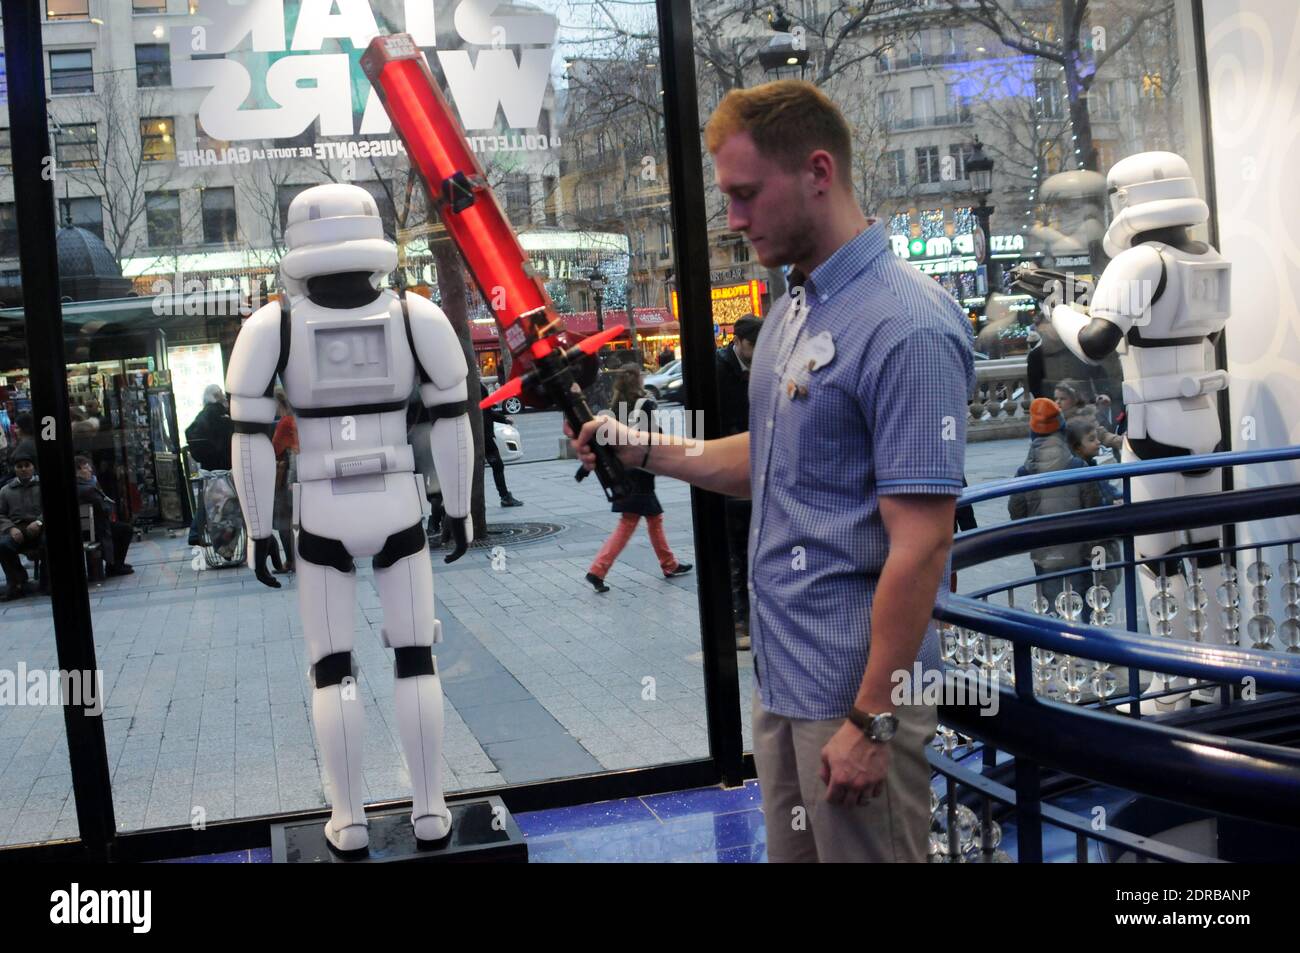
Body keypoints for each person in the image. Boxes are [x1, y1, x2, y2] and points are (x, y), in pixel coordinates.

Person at [570, 80, 972, 863]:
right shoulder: (793, 309)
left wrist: (872, 719)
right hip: (787, 683)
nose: (734, 218)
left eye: (747, 194)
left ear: (818, 172)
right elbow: (771, 459)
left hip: (857, 701)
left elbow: (922, 544)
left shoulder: (908, 325)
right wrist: (638, 443)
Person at [585, 366, 692, 593]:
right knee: (632, 522)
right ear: (639, 381)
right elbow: (654, 435)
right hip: (640, 471)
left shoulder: (615, 408)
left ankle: (668, 563)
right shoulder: (644, 405)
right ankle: (597, 570)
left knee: (651, 519)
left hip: (623, 470)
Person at [1008, 398, 1101, 613]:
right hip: (1077, 550)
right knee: (1085, 606)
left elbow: (1016, 513)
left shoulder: (1024, 473)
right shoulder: (1078, 466)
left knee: (1051, 609)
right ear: (1061, 428)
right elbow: (1093, 507)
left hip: (1044, 552)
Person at [716, 314, 762, 649]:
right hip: (727, 465)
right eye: (753, 345)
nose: (758, 350)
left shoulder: (763, 364)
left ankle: (753, 619)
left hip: (757, 466)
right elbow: (702, 417)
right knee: (735, 551)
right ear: (739, 341)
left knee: (754, 550)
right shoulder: (718, 369)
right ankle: (738, 622)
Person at [185, 384, 234, 546]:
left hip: (208, 465)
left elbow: (190, 431)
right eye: (220, 393)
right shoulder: (219, 413)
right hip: (220, 466)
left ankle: (195, 533)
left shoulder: (203, 414)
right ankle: (225, 541)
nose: (224, 396)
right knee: (225, 501)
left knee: (208, 501)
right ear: (215, 396)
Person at [75, 455, 133, 576]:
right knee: (125, 529)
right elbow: (105, 508)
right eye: (86, 468)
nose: (90, 470)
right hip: (93, 530)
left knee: (118, 527)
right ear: (77, 472)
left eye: (89, 467)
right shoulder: (87, 489)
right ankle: (115, 565)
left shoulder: (86, 486)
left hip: (91, 527)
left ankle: (115, 564)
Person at [0, 451, 45, 600]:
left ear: (33, 467)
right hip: (17, 529)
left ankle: (48, 581)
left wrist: (39, 522)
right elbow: (1, 514)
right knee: (3, 545)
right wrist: (10, 528)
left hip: (40, 527)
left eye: (27, 465)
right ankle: (17, 582)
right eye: (20, 466)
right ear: (15, 469)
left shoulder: (42, 485)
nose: (24, 469)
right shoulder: (5, 491)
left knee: (48, 542)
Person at [480, 381, 523, 508]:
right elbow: (485, 411)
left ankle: (504, 496)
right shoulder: (475, 385)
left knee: (494, 465)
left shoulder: (471, 384)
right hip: (484, 436)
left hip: (481, 435)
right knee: (497, 465)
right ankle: (504, 497)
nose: (477, 368)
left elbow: (486, 412)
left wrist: (503, 419)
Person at [271, 389, 298, 574]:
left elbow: (275, 448)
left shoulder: (285, 423)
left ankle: (290, 560)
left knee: (284, 522)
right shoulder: (298, 420)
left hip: (286, 476)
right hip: (300, 477)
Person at [1054, 380, 1122, 453]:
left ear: (1075, 399)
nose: (1058, 402)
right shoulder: (1053, 419)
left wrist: (1123, 441)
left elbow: (1103, 436)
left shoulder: (1085, 418)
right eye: (1056, 398)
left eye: (1063, 399)